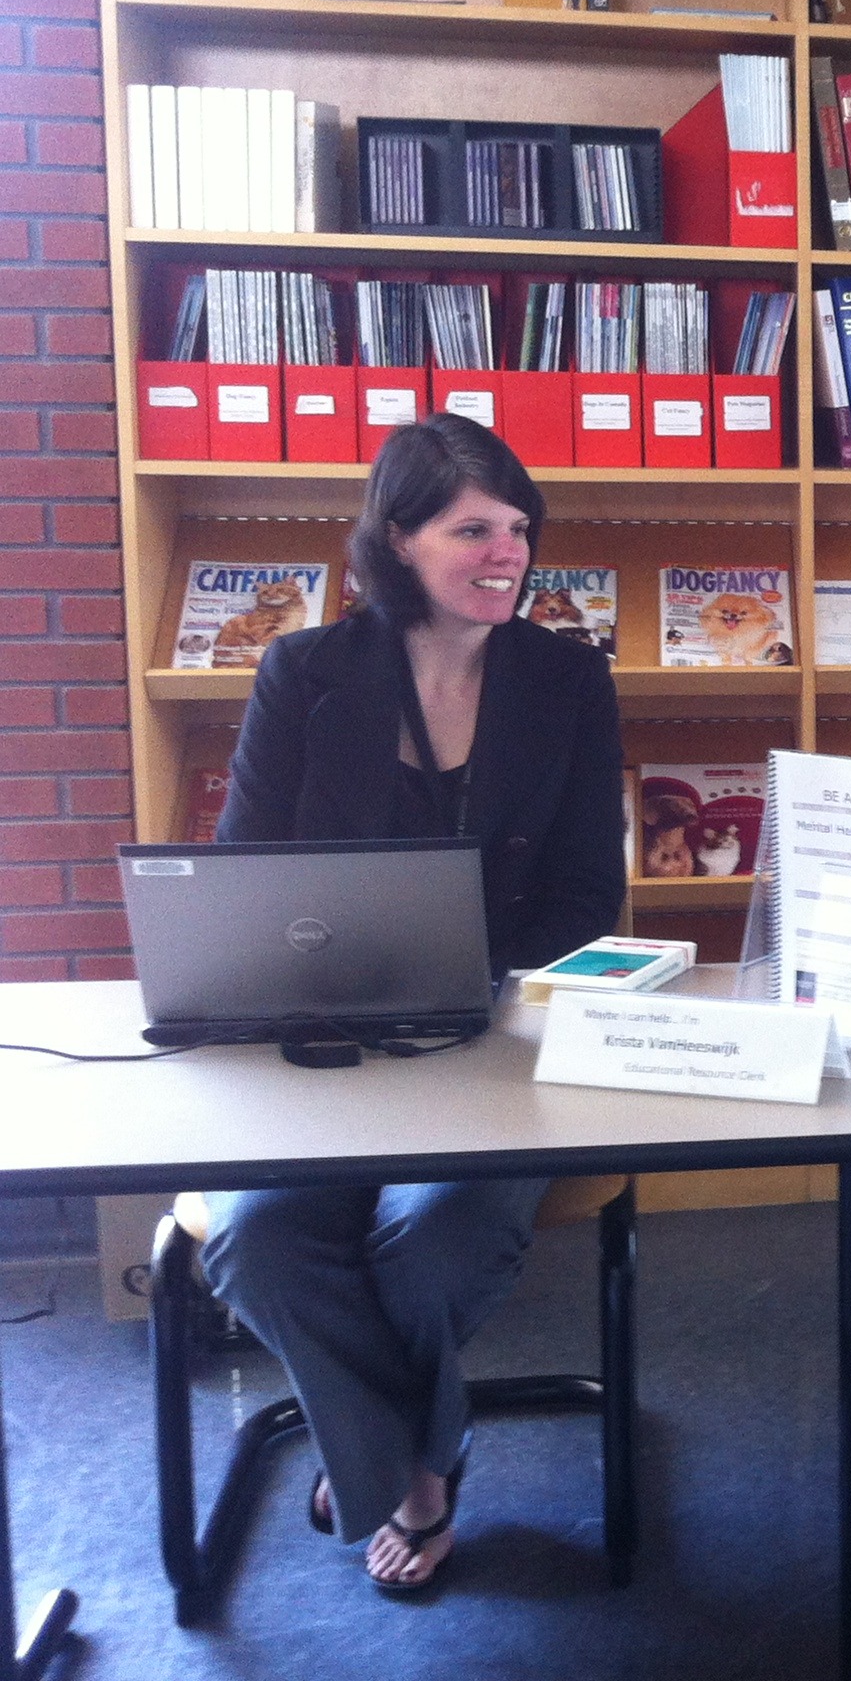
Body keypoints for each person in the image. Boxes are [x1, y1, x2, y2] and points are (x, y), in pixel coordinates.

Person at [206, 415, 625, 1595]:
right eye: (474, 529)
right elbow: (251, 879)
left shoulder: (565, 677)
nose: (510, 554)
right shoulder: (306, 674)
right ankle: (411, 1456)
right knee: (257, 1240)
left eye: (521, 529)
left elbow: (593, 894)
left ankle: (399, 1467)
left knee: (434, 1241)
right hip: (324, 1041)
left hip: (495, 1039)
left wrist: (470, 986)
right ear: (398, 539)